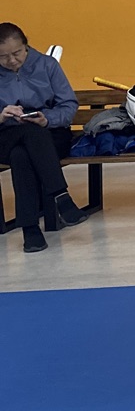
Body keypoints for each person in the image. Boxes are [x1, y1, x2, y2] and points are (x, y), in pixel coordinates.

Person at [0, 24, 84, 254]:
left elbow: (68, 105)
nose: (12, 61)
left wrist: (47, 119)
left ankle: (30, 231)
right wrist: (2, 115)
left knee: (22, 155)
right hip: (6, 135)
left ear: (26, 46)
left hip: (50, 133)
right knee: (28, 136)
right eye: (3, 57)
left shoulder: (47, 65)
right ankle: (61, 196)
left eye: (17, 53)